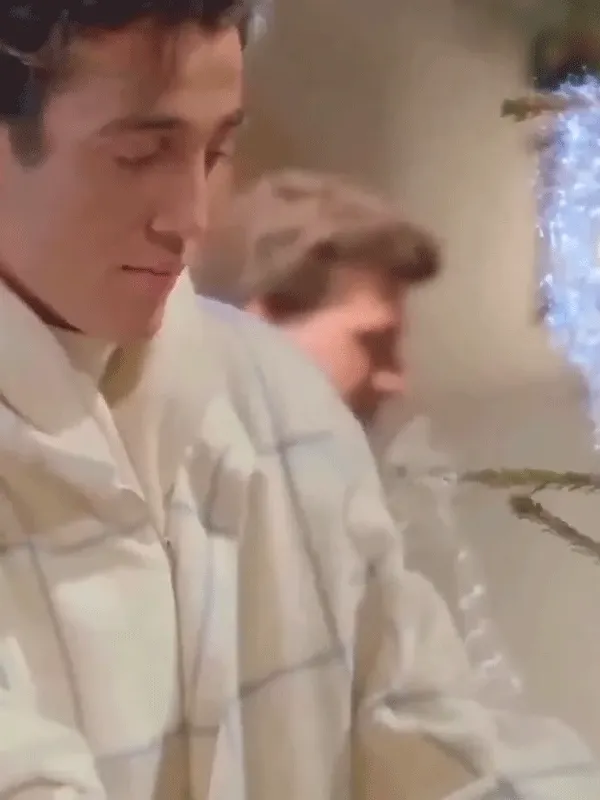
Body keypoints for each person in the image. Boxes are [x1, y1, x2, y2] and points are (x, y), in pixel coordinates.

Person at [0, 6, 598, 800]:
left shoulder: (279, 398)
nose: (191, 217)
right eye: (140, 153)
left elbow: (434, 732)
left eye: (215, 151)